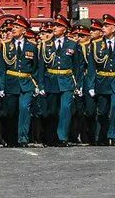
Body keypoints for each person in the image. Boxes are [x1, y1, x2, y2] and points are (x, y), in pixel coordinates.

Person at [39, 14, 86, 147]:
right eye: (54, 25)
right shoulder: (46, 44)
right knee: (51, 111)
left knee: (65, 108)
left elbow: (78, 65)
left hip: (67, 81)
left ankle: (62, 137)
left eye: (58, 26)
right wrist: (41, 84)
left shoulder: (72, 44)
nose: (55, 28)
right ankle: (50, 136)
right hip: (51, 80)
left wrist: (78, 83)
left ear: (65, 29)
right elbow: (42, 66)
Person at [87, 13, 115, 146]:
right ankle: (102, 136)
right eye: (103, 26)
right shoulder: (96, 44)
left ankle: (114, 136)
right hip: (101, 81)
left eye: (106, 26)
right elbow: (91, 67)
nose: (103, 28)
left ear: (113, 28)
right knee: (102, 111)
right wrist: (90, 86)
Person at [0, 16, 44, 147]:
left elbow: (36, 67)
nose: (13, 29)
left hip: (26, 83)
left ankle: (23, 138)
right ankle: (11, 138)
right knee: (11, 111)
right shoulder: (6, 46)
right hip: (11, 82)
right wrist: (0, 86)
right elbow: (2, 68)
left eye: (17, 27)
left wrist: (37, 84)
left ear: (24, 31)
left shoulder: (32, 46)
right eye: (13, 27)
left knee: (25, 109)